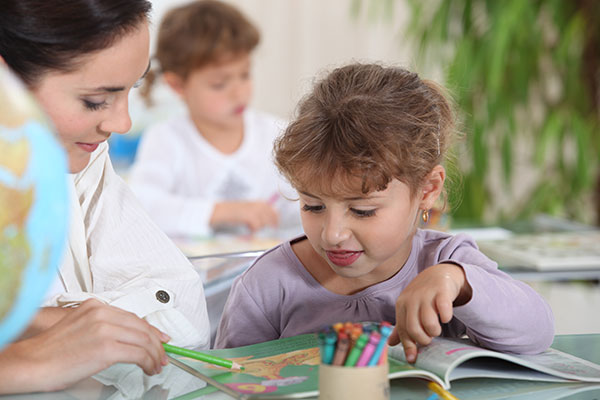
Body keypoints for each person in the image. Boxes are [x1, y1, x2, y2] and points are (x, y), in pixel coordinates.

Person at [214, 63, 555, 363]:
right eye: (313, 206)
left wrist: (457, 282)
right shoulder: (267, 284)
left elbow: (537, 331)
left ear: (427, 190)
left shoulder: (445, 261)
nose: (332, 234)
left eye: (362, 211)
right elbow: (226, 381)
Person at [0, 0, 209, 393]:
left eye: (133, 89)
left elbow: (185, 316)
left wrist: (41, 320)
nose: (121, 123)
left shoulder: (78, 159)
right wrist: (24, 356)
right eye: (95, 101)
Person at [128, 0, 301, 238]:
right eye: (219, 84)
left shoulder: (278, 133)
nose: (239, 92)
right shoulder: (166, 139)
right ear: (177, 85)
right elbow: (141, 206)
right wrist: (220, 211)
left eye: (245, 75)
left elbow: (304, 204)